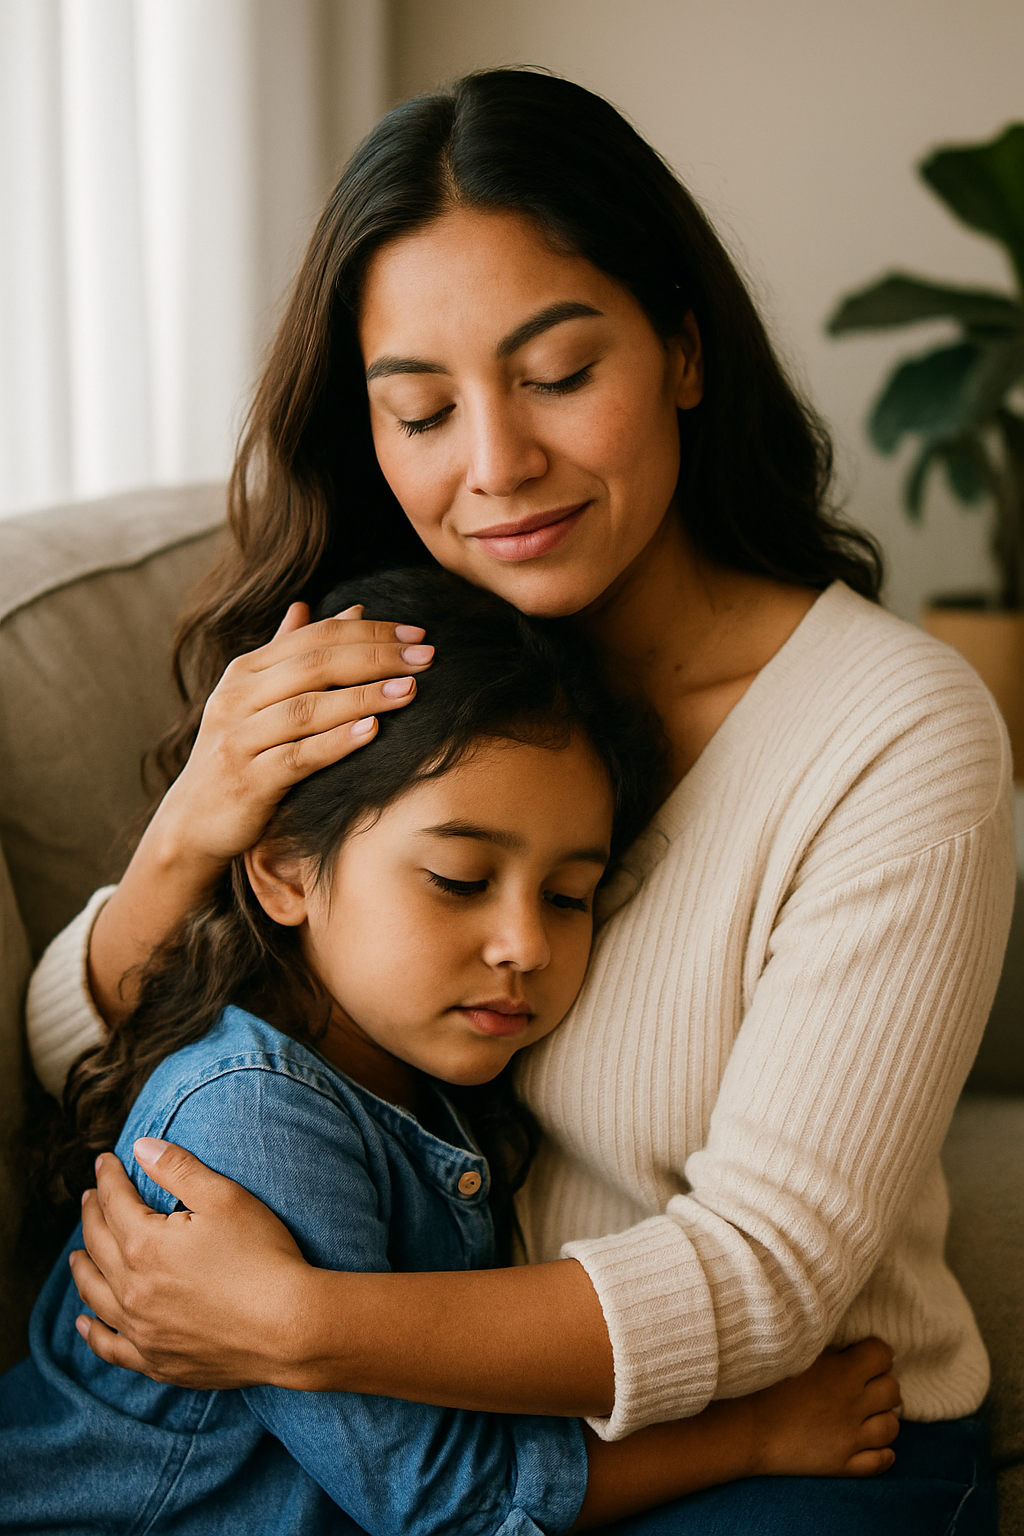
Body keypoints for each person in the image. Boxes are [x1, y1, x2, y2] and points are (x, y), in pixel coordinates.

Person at [28, 70, 1012, 1533]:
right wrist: (191, 837)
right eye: (420, 410)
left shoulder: (893, 727)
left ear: (683, 349)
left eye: (557, 377)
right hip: (445, 1438)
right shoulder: (408, 674)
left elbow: (770, 1276)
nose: (495, 467)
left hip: (795, 1429)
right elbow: (89, 1068)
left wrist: (295, 1327)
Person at [2, 568, 902, 1535]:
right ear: (284, 869)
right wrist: (751, 1436)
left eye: (569, 897)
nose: (527, 944)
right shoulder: (249, 1120)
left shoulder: (419, 1075)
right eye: (459, 878)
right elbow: (444, 1498)